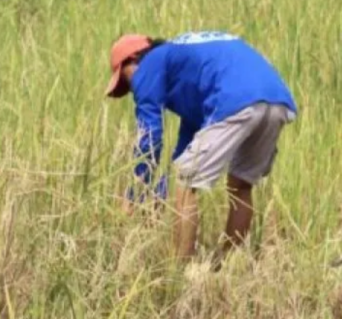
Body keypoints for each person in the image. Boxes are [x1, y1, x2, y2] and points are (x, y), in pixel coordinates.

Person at [105, 30, 297, 268]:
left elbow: (150, 135)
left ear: (133, 59)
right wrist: (160, 192)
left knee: (185, 184)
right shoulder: (184, 62)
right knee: (240, 185)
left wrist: (135, 194)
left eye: (126, 81)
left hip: (235, 98)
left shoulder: (150, 63)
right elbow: (187, 147)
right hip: (277, 100)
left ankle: (179, 273)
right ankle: (225, 267)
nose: (133, 89)